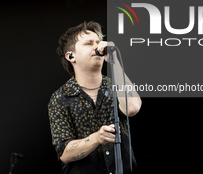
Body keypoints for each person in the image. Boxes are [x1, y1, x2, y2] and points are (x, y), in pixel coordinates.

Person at [48, 21, 142, 174]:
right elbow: (64, 153)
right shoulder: (60, 98)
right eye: (89, 43)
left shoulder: (115, 86)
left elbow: (132, 108)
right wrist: (97, 138)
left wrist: (114, 60)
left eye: (98, 42)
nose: (97, 46)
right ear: (71, 56)